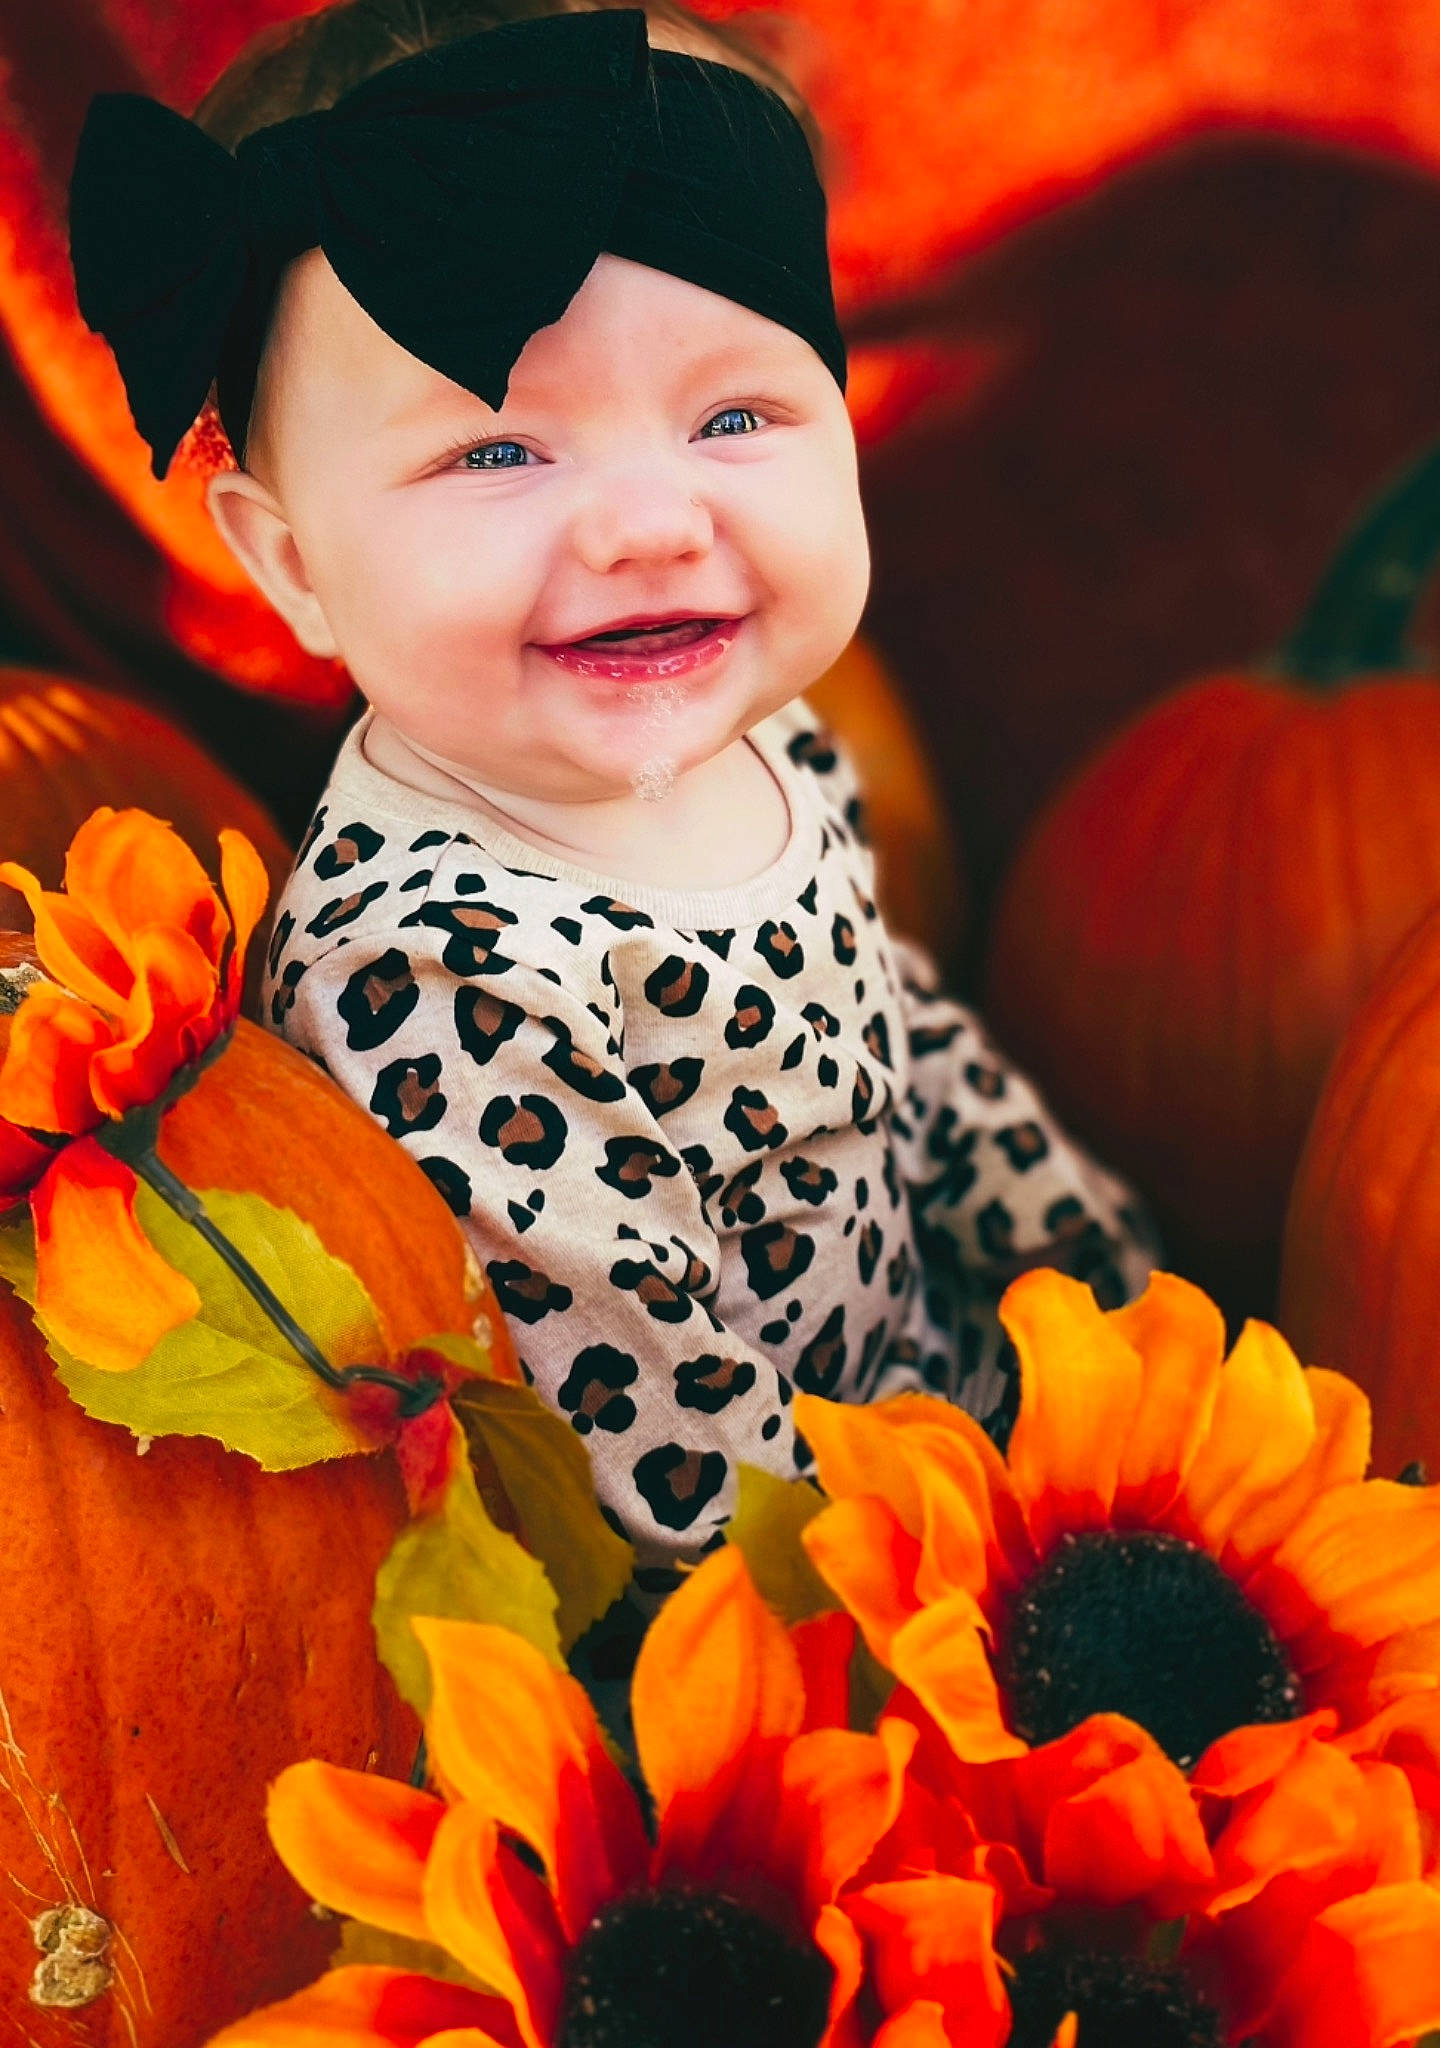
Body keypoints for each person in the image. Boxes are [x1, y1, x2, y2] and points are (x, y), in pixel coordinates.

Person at [69, 0, 1155, 1585]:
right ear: (290, 563)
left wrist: (1102, 1297)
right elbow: (667, 1469)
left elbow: (908, 1057)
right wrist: (963, 1580)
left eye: (735, 419)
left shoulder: (758, 748)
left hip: (939, 1456)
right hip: (745, 1631)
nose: (649, 523)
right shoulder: (436, 970)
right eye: (500, 453)